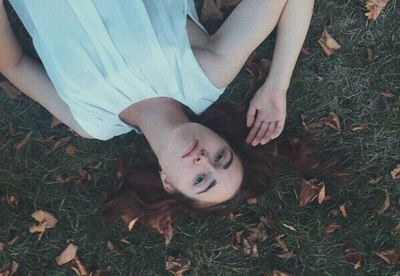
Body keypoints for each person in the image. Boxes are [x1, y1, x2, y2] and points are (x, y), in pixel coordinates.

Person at [0, 0, 315, 229]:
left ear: (168, 182)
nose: (204, 159)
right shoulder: (205, 74)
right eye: (222, 157)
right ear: (221, 138)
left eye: (201, 179)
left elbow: (13, 64)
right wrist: (277, 84)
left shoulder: (91, 122)